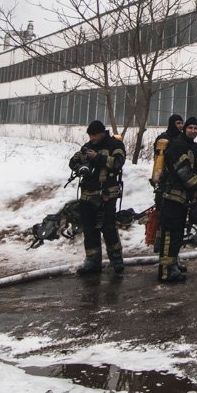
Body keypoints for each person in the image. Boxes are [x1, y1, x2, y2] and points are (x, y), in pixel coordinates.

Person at [69, 119, 127, 277]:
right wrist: (76, 161)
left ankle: (117, 261)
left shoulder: (115, 145)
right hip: (88, 195)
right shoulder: (87, 147)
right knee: (89, 229)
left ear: (102, 133)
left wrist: (97, 158)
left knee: (108, 228)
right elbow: (74, 166)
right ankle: (92, 262)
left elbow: (117, 163)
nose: (92, 139)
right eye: (90, 136)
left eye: (94, 135)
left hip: (107, 194)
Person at [153, 116, 197, 283]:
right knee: (169, 233)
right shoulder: (177, 145)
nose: (193, 131)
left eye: (195, 128)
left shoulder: (191, 147)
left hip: (182, 198)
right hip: (172, 196)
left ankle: (173, 263)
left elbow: (192, 168)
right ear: (185, 129)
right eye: (190, 128)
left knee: (177, 233)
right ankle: (166, 271)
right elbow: (182, 169)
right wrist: (196, 184)